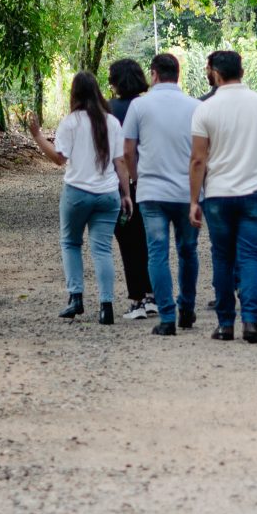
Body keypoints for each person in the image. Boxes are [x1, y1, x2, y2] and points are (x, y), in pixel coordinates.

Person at [187, 49, 257, 343]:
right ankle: (251, 322)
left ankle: (225, 324)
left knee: (223, 258)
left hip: (218, 195)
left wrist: (193, 200)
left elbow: (198, 160)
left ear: (214, 73)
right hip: (255, 193)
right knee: (251, 257)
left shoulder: (205, 110)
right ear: (241, 70)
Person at [28, 71, 128, 324]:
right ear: (97, 92)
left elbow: (59, 158)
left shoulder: (70, 122)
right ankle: (107, 307)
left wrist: (38, 135)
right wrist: (126, 194)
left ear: (75, 94)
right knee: (102, 249)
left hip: (77, 193)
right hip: (108, 194)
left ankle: (76, 298)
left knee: (71, 243)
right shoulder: (112, 122)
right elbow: (120, 162)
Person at [120, 52, 200, 335]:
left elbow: (128, 150)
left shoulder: (140, 107)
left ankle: (167, 316)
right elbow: (203, 152)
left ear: (153, 74)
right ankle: (187, 308)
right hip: (186, 191)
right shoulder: (195, 106)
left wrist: (138, 178)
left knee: (157, 253)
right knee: (188, 251)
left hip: (152, 191)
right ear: (177, 74)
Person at [104, 58, 159, 320]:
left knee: (128, 242)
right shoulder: (150, 106)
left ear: (114, 82)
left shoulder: (107, 109)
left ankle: (137, 298)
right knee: (151, 240)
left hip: (118, 183)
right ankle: (153, 295)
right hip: (149, 179)